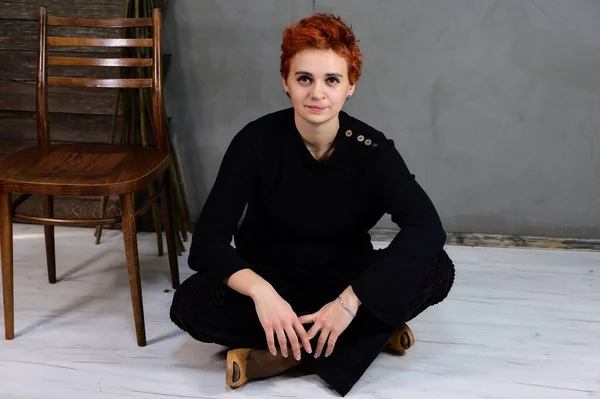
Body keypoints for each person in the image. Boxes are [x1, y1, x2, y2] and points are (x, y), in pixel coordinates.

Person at [170, 12, 455, 396]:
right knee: (189, 305)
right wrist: (262, 294)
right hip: (272, 279)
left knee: (438, 268)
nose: (317, 93)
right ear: (286, 82)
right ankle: (366, 335)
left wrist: (351, 301)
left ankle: (284, 355)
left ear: (350, 86)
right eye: (304, 78)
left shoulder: (373, 151)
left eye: (332, 80)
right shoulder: (255, 142)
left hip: (343, 282)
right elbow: (207, 243)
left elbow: (426, 228)